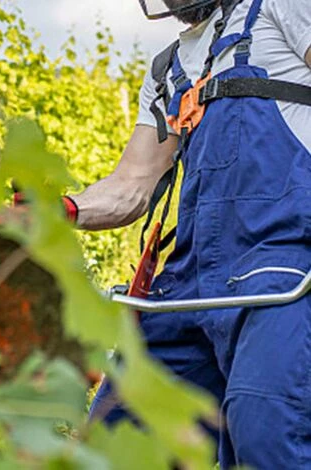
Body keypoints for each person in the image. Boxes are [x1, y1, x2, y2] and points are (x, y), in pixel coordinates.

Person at [67, 0, 311, 467]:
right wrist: (64, 210)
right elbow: (132, 185)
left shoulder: (282, 7)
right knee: (115, 446)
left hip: (280, 267)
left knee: (269, 435)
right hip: (190, 284)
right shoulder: (168, 69)